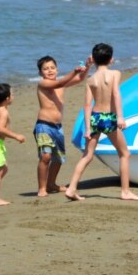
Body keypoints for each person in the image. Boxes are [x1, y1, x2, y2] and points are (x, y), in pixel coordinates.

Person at [65, 43, 138, 202]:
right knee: (124, 153)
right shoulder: (115, 73)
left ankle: (72, 188)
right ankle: (125, 191)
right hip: (108, 118)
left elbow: (87, 105)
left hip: (95, 117)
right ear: (111, 59)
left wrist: (87, 127)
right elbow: (116, 93)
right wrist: (120, 117)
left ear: (93, 59)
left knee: (87, 155)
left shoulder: (91, 79)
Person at [34, 55, 89, 196]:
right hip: (44, 126)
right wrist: (74, 72)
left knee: (58, 159)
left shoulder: (60, 84)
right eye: (45, 69)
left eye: (52, 68)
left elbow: (80, 79)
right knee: (45, 156)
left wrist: (88, 66)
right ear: (40, 72)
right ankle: (41, 188)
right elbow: (58, 84)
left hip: (57, 127)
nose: (50, 71)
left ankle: (51, 184)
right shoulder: (43, 84)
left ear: (57, 70)